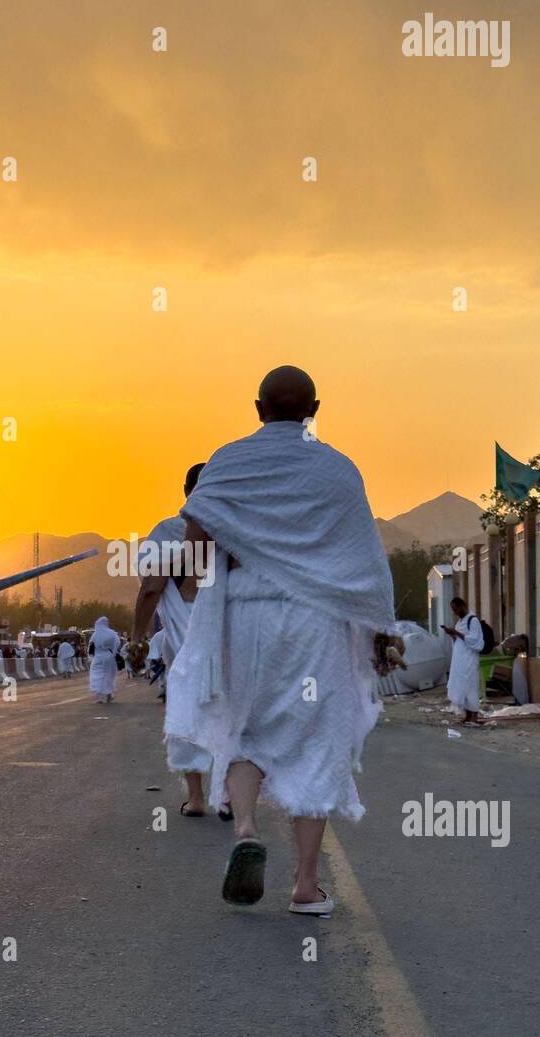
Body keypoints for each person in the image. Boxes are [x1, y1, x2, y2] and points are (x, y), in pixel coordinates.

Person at [165, 365, 398, 915]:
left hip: (244, 612)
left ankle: (245, 828)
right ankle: (306, 885)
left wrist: (218, 587)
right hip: (315, 620)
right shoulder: (338, 470)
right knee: (317, 739)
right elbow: (361, 557)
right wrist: (379, 630)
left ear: (257, 408)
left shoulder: (227, 461)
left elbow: (198, 539)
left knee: (246, 731)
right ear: (315, 408)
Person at [133, 462, 212, 816]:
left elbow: (152, 586)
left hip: (184, 638)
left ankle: (196, 798)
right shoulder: (238, 530)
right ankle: (230, 797)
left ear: (185, 491)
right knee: (230, 712)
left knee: (186, 710)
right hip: (229, 633)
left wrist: (137, 636)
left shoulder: (167, 531)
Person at [443, 596, 484, 724]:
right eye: (453, 610)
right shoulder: (460, 622)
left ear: (462, 606)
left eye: (455, 609)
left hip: (469, 660)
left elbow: (475, 640)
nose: (455, 612)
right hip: (460, 660)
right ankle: (467, 715)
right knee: (462, 687)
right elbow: (458, 641)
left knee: (471, 687)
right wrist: (452, 634)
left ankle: (474, 716)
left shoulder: (473, 620)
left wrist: (456, 632)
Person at [89, 615, 120, 702]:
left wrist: (90, 657)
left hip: (98, 657)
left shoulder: (95, 634)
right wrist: (113, 653)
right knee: (108, 675)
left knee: (97, 675)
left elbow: (91, 646)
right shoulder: (112, 633)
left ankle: (99, 696)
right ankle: (108, 693)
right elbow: (117, 643)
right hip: (108, 656)